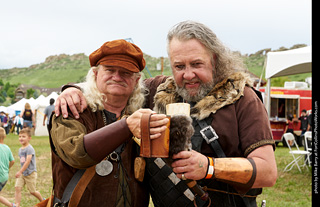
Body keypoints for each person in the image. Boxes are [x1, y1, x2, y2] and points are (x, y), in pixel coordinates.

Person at [55, 21, 277, 207]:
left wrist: (209, 167)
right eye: (179, 66)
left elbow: (267, 172)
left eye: (196, 64)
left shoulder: (242, 98)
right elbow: (117, 83)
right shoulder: (158, 91)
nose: (188, 75)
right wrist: (74, 89)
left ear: (215, 60)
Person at [50, 39, 168, 207]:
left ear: (136, 81)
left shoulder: (140, 107)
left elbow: (175, 80)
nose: (117, 77)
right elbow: (76, 154)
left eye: (126, 72)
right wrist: (126, 127)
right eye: (110, 70)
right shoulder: (73, 107)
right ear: (96, 74)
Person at [15, 128, 44, 207]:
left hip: (30, 173)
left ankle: (43, 201)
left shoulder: (29, 149)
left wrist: (20, 171)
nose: (21, 138)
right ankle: (17, 205)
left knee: (32, 191)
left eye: (23, 136)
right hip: (23, 174)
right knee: (17, 188)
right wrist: (21, 172)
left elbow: (28, 161)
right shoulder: (20, 149)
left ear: (29, 138)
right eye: (20, 136)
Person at [0, 127, 16, 207]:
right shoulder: (7, 148)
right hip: (5, 177)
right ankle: (12, 205)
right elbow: (12, 161)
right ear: (5, 136)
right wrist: (7, 168)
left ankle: (11, 205)